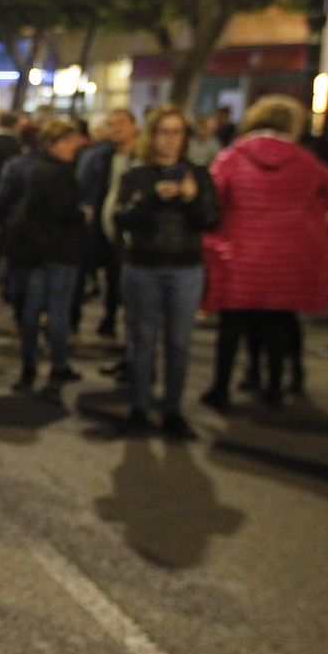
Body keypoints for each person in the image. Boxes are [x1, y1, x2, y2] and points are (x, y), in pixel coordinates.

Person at [200, 96, 328, 410]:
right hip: (285, 256)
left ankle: (221, 388)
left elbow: (212, 195)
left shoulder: (233, 157)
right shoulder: (304, 160)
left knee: (232, 325)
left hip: (239, 252)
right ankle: (274, 388)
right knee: (277, 321)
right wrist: (313, 211)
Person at [112, 106, 220, 438]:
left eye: (176, 133)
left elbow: (212, 219)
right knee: (141, 341)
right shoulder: (137, 175)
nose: (170, 140)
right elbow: (121, 217)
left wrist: (190, 197)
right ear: (152, 135)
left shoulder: (198, 175)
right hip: (143, 267)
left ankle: (173, 409)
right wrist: (149, 197)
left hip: (185, 269)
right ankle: (139, 407)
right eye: (163, 132)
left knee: (179, 343)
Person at [8, 119, 87, 394]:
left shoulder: (34, 169)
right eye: (66, 141)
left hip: (36, 250)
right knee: (58, 311)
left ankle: (29, 364)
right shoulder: (61, 173)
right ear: (52, 144)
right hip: (61, 251)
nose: (72, 147)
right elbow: (63, 211)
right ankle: (58, 365)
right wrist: (82, 214)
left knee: (33, 309)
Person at [77, 108, 139, 339]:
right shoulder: (101, 156)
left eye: (121, 123)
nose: (116, 129)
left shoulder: (141, 157)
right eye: (112, 124)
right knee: (112, 277)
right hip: (104, 228)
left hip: (133, 232)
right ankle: (110, 317)